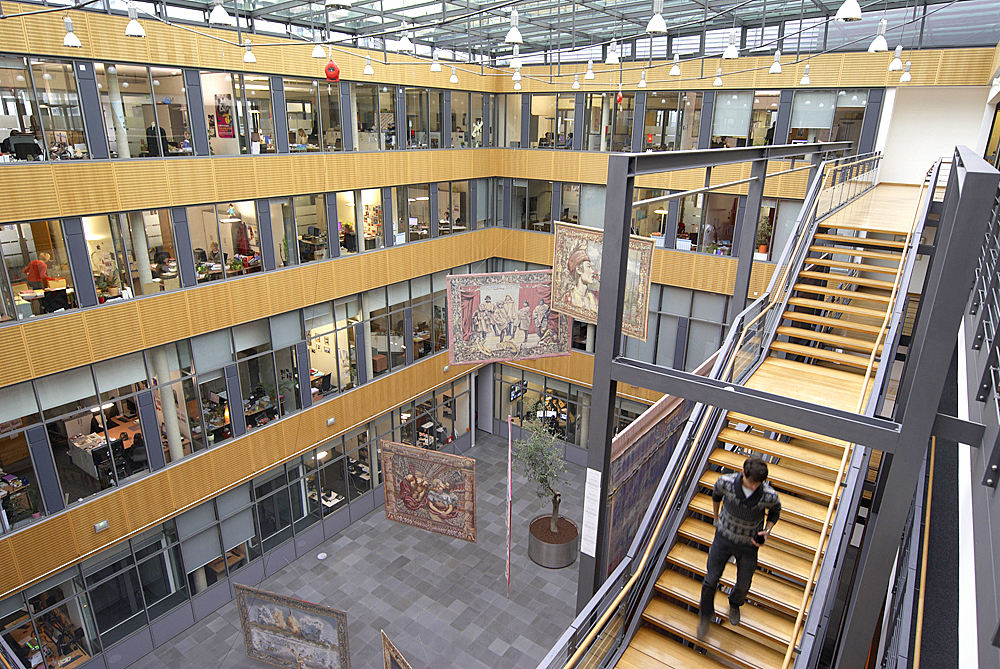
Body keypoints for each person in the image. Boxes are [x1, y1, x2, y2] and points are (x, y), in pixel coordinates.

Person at [698, 456, 781, 638]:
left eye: (758, 484)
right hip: (724, 538)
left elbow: (775, 512)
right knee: (711, 579)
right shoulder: (726, 483)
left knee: (744, 583)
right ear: (743, 473)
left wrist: (767, 531)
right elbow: (716, 495)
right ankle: (705, 615)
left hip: (748, 545)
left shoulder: (768, 495)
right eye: (751, 482)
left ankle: (735, 602)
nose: (754, 487)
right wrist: (716, 518)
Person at [564, 249, 599, 313]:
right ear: (578, 270)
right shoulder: (569, 297)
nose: (592, 271)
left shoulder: (595, 297)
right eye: (588, 267)